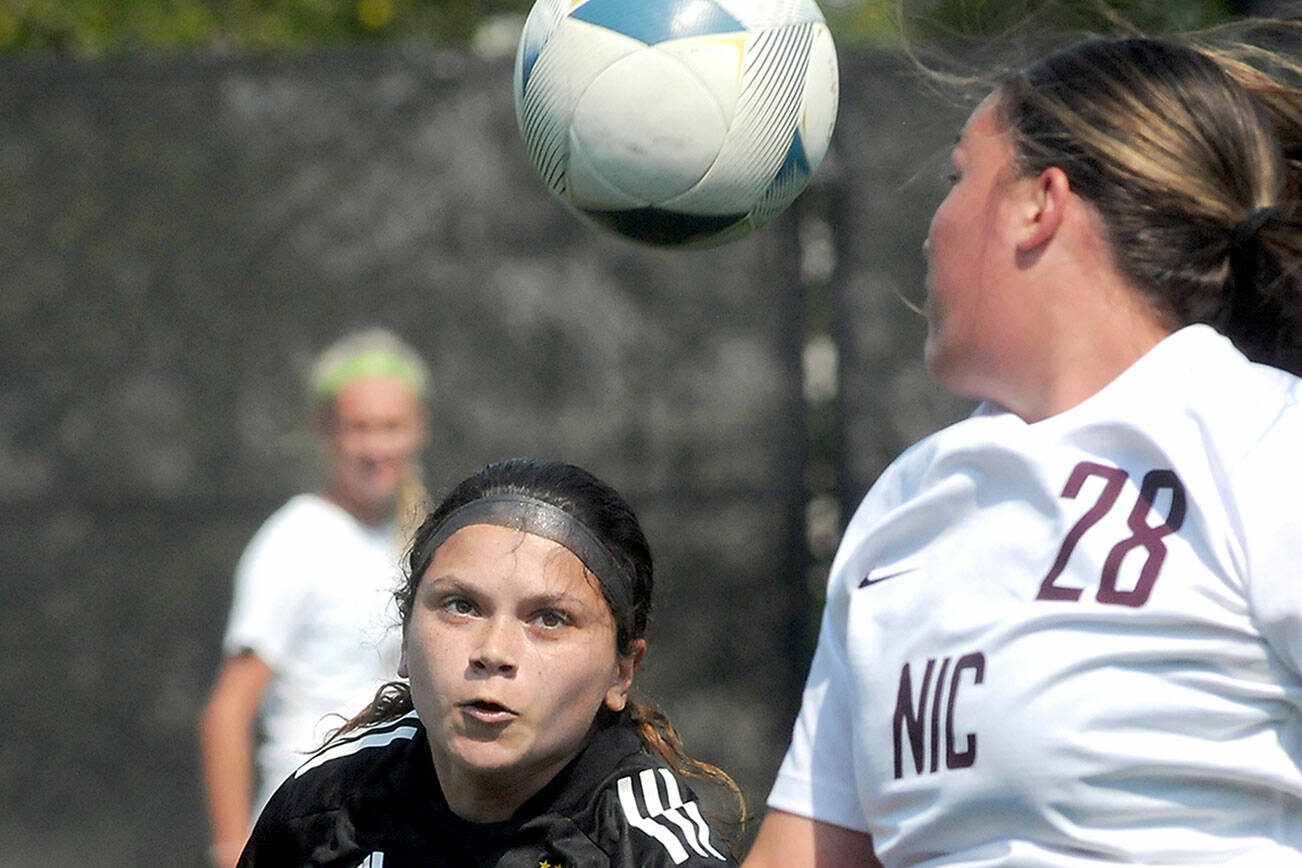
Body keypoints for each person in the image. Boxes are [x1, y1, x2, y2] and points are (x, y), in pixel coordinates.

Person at [744, 22, 1302, 867]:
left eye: (958, 177)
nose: (932, 227)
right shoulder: (906, 506)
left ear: (1041, 203)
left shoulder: (1265, 444)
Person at [236, 457, 742, 866]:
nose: (494, 653)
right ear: (406, 639)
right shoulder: (322, 816)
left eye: (549, 619)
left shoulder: (644, 851)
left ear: (622, 671)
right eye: (461, 606)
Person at [199, 328, 432, 867]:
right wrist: (233, 852)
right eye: (359, 428)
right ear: (324, 431)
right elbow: (228, 711)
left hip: (397, 823)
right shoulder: (293, 540)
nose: (377, 447)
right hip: (310, 824)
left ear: (418, 428)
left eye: (391, 427)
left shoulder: (426, 537)